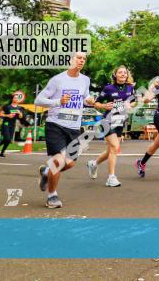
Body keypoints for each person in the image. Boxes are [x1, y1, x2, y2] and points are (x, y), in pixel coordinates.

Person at [35, 52, 96, 208]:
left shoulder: (85, 80)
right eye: (78, 57)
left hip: (74, 127)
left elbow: (85, 96)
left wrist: (89, 100)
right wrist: (58, 101)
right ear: (70, 60)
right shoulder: (57, 80)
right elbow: (39, 100)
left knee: (68, 164)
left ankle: (46, 172)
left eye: (84, 58)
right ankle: (52, 196)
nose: (81, 60)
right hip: (56, 125)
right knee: (58, 161)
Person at [87, 65, 136, 187]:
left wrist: (130, 105)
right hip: (107, 121)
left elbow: (134, 101)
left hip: (120, 122)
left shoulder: (130, 88)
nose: (123, 74)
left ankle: (93, 163)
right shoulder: (108, 88)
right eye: (120, 72)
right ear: (115, 75)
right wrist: (104, 106)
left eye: (125, 73)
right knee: (115, 147)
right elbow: (96, 103)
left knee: (111, 150)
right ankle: (111, 178)